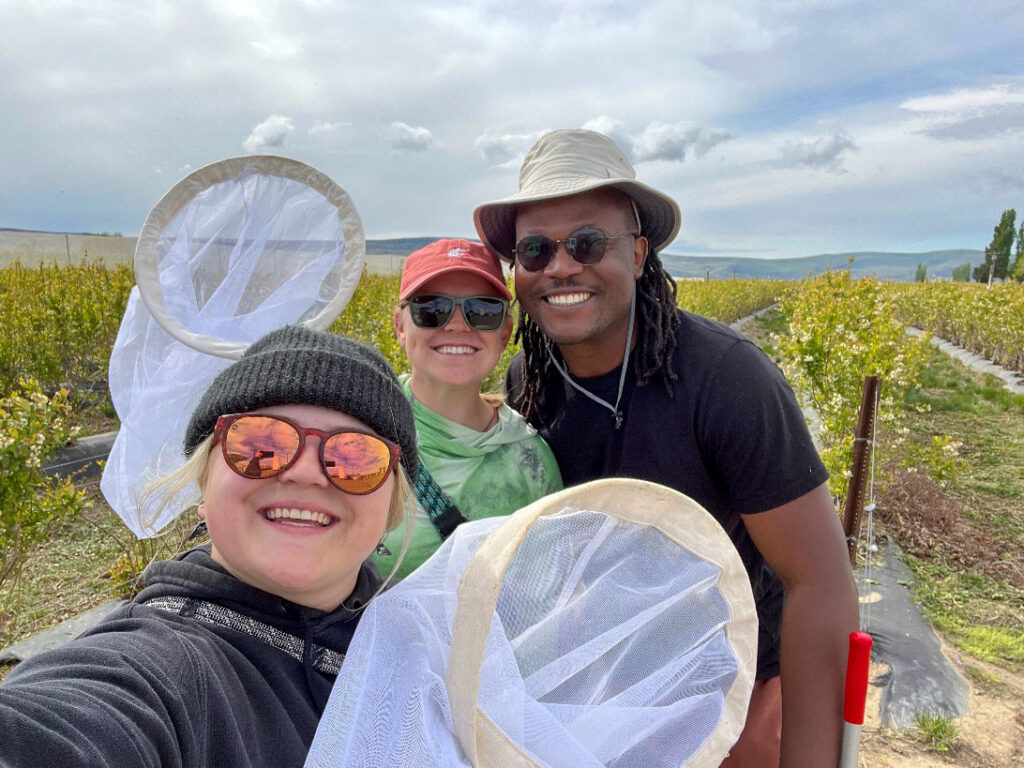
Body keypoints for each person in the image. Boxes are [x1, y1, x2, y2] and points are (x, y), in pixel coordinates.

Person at [474, 129, 859, 767]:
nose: (561, 266)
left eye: (588, 242)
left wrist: (805, 755)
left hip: (732, 695)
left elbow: (818, 578)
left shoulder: (724, 378)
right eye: (535, 250)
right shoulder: (528, 381)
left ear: (640, 253)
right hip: (606, 696)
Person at [0, 325, 419, 768]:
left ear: (391, 503)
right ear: (204, 481)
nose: (307, 474)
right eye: (260, 443)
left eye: (356, 458)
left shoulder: (424, 637)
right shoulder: (162, 671)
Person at [378, 237, 562, 577]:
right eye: (431, 308)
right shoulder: (362, 432)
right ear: (400, 327)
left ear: (505, 333)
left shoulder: (530, 460)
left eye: (482, 310)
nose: (458, 324)